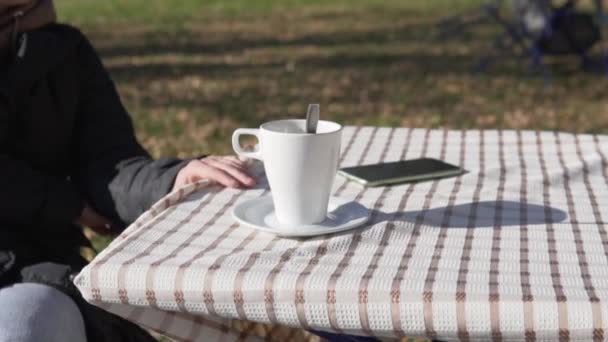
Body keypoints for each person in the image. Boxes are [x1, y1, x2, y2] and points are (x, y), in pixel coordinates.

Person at [0, 1, 256, 341]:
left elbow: (110, 163)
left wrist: (172, 180)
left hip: (30, 270)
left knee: (27, 325)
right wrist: (66, 204)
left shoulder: (63, 49)